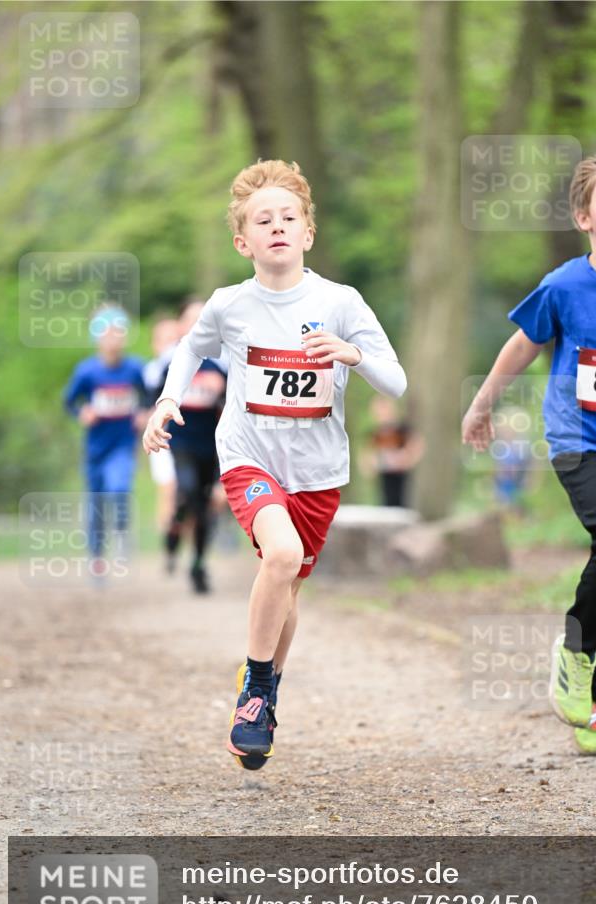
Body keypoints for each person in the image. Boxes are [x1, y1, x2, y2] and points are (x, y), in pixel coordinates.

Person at [143, 160, 406, 769]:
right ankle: (256, 689)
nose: (278, 226)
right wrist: (166, 402)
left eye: (289, 217)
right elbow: (191, 349)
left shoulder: (341, 303)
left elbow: (395, 382)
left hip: (317, 473)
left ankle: (264, 689)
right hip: (247, 456)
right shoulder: (230, 305)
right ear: (244, 241)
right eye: (264, 220)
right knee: (281, 557)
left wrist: (352, 353)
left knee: (288, 584)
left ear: (308, 233)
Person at [462, 153, 596, 756]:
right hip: (581, 441)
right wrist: (481, 405)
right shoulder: (565, 285)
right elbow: (523, 345)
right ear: (583, 217)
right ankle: (573, 649)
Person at [63, 303, 147, 577]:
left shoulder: (135, 369)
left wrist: (146, 413)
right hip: (96, 448)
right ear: (97, 337)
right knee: (96, 502)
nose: (114, 337)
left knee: (119, 488)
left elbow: (151, 395)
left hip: (123, 444)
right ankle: (96, 556)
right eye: (108, 332)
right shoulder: (87, 372)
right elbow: (69, 402)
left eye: (118, 331)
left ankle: (122, 534)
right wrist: (82, 412)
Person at [153, 300, 228, 593]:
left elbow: (229, 407)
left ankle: (198, 562)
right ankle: (173, 541)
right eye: (191, 319)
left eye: (202, 319)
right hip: (179, 444)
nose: (198, 325)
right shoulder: (172, 365)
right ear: (181, 326)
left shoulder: (222, 365)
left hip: (210, 447)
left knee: (204, 504)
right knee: (189, 495)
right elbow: (154, 402)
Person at [143, 317, 180, 540]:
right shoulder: (152, 371)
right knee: (168, 489)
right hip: (163, 438)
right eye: (166, 340)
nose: (172, 346)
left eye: (175, 340)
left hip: (189, 438)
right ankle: (168, 542)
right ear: (155, 345)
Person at [366, 395, 425, 507]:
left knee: (402, 504)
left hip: (402, 477)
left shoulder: (403, 429)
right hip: (384, 477)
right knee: (385, 504)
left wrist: (408, 460)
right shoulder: (376, 434)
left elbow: (418, 444)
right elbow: (368, 455)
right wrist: (372, 465)